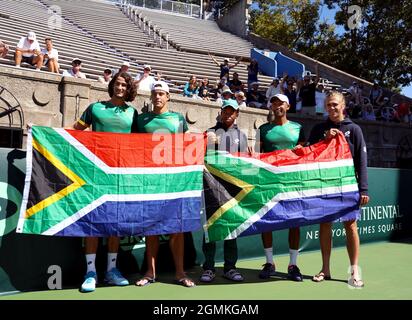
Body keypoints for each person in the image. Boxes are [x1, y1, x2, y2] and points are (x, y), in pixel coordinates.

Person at [72, 72, 138, 292]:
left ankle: (111, 271)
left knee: (114, 224)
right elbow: (75, 132)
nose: (120, 87)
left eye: (124, 85)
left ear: (129, 89)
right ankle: (90, 272)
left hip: (120, 176)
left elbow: (141, 144)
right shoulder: (95, 108)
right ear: (112, 86)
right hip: (95, 173)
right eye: (117, 84)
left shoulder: (133, 112)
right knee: (93, 223)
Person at [135, 80, 195, 288]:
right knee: (152, 228)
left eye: (162, 94)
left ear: (168, 97)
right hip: (149, 181)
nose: (158, 97)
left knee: (176, 229)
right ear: (151, 97)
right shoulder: (141, 119)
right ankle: (150, 272)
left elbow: (190, 144)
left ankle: (180, 272)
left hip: (174, 181)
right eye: (155, 94)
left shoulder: (178, 120)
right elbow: (129, 146)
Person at [308, 91, 369, 288]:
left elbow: (361, 160)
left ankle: (354, 272)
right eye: (329, 105)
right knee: (325, 225)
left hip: (349, 186)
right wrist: (325, 139)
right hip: (324, 185)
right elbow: (309, 154)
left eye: (335, 104)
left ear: (343, 106)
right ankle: (325, 269)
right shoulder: (318, 129)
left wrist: (364, 189)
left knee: (350, 226)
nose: (332, 108)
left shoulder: (355, 129)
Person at [256, 93, 305, 282]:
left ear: (288, 106)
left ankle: (293, 265)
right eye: (273, 102)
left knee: (294, 223)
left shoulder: (298, 128)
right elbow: (258, 156)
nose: (277, 105)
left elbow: (304, 152)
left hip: (292, 181)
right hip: (268, 181)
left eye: (280, 102)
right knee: (267, 222)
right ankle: (270, 263)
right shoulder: (263, 129)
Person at [200, 99, 248, 283]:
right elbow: (199, 157)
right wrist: (207, 143)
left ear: (237, 114)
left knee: (231, 229)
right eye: (225, 111)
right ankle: (209, 267)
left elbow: (244, 163)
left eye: (231, 111)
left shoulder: (241, 136)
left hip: (233, 190)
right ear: (220, 112)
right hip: (211, 188)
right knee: (211, 228)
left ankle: (230, 267)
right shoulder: (209, 133)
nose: (228, 114)